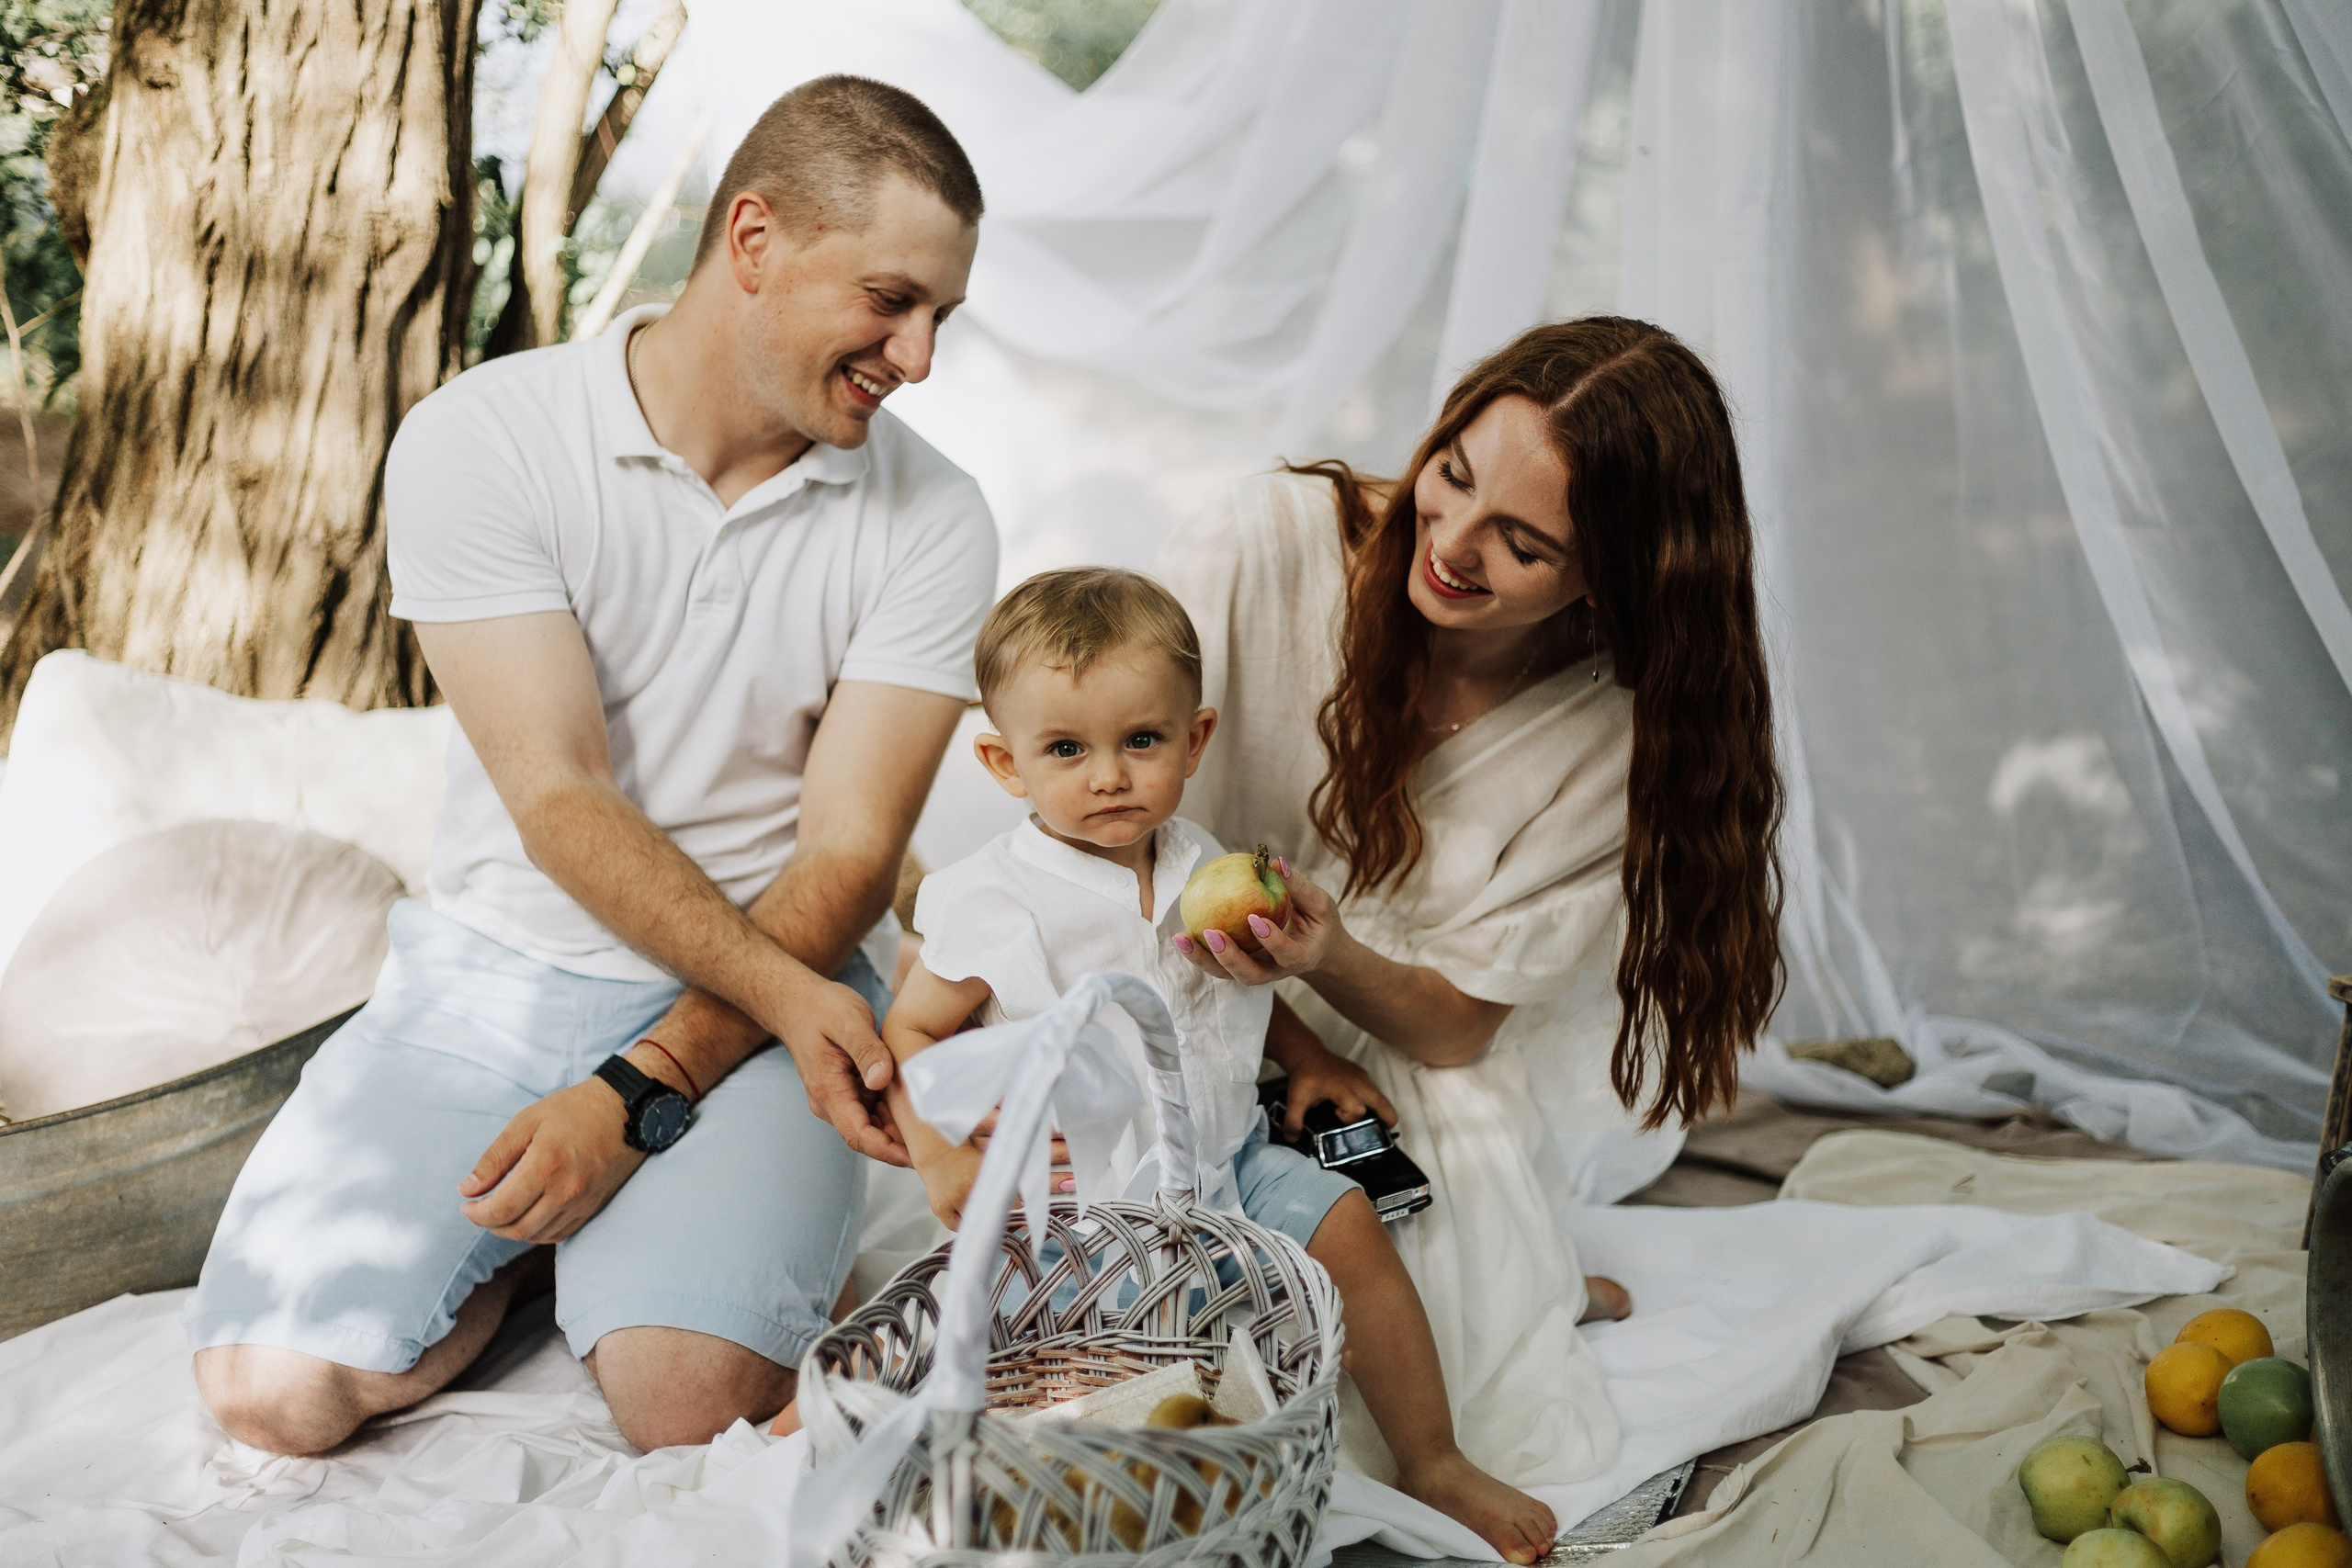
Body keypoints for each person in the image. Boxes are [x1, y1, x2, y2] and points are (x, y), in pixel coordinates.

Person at [184, 76, 999, 1457]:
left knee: (689, 1409)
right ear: (754, 240)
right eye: (891, 301)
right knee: (270, 1395)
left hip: (756, 997)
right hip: (490, 981)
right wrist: (611, 1108)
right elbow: (559, 796)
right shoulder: (482, 436)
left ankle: (655, 1234)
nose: (917, 357)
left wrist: (641, 1090)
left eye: (940, 319)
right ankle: (528, 1261)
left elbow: (851, 856)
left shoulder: (939, 517)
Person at [1153, 317, 1785, 1494]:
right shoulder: (1264, 543)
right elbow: (1107, 811)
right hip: (1172, 976)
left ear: (1613, 575)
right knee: (1170, 1318)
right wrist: (1279, 1035)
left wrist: (1323, 952)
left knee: (1425, 1327)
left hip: (1398, 1045)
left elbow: (1451, 1027)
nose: (1448, 544)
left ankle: (1528, 1282)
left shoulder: (1613, 726)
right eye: (1449, 475)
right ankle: (1535, 1275)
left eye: (1525, 543)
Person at [878, 567, 1563, 1564]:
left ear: (1192, 742)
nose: (1108, 776)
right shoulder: (994, 900)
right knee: (1107, 1378)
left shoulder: (1203, 863)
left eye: (1140, 742)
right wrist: (940, 1157)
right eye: (1066, 750)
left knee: (1353, 1228)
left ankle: (1432, 1457)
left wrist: (1313, 1053)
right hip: (1087, 1204)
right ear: (1004, 763)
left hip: (1229, 1158)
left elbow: (1234, 981)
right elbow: (910, 1036)